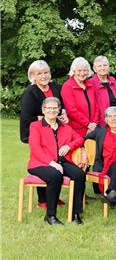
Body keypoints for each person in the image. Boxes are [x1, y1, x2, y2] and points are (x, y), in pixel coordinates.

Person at [27, 97, 86, 225]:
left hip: (62, 162)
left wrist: (69, 146)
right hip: (40, 163)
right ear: (43, 110)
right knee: (55, 176)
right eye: (49, 108)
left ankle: (75, 213)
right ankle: (50, 215)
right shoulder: (35, 126)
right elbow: (35, 148)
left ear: (59, 110)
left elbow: (80, 139)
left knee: (80, 175)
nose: (52, 110)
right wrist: (51, 163)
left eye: (55, 108)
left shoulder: (65, 126)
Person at [20, 60, 69, 208]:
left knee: (54, 161)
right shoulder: (31, 92)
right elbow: (26, 116)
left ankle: (52, 197)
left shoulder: (54, 86)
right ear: (33, 76)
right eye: (39, 73)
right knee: (42, 161)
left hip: (54, 129)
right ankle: (43, 200)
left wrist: (63, 113)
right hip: (36, 130)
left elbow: (61, 105)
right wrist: (44, 117)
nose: (43, 76)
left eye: (46, 72)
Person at [61, 57, 99, 137]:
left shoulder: (90, 85)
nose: (82, 73)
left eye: (85, 70)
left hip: (93, 128)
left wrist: (94, 123)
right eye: (79, 70)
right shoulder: (67, 86)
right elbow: (71, 110)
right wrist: (88, 124)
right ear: (73, 71)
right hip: (77, 129)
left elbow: (96, 106)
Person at [89, 56, 116, 126]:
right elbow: (93, 105)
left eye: (105, 65)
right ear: (94, 69)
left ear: (108, 67)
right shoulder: (91, 83)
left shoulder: (112, 80)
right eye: (99, 66)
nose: (102, 68)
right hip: (102, 121)